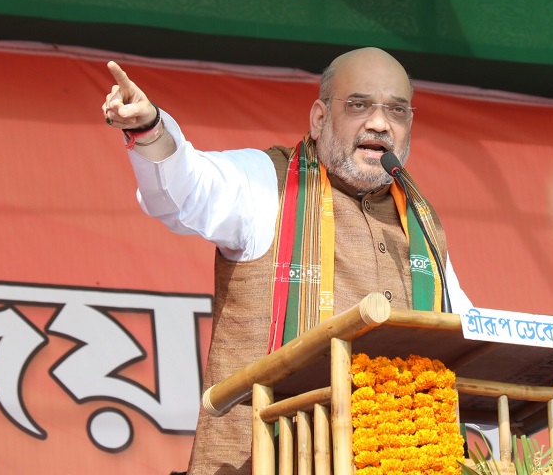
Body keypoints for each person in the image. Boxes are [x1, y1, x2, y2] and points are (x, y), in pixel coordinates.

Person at [103, 47, 471, 475]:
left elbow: (466, 332)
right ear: (319, 118)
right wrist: (150, 130)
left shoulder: (421, 226)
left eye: (397, 110)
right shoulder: (269, 182)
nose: (379, 122)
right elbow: (187, 188)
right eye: (359, 105)